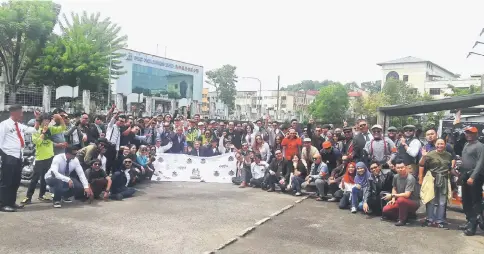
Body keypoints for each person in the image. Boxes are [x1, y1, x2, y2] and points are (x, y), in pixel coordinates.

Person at [21, 113, 66, 205]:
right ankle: (28, 197)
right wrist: (43, 133)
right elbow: (37, 142)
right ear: (41, 121)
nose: (47, 122)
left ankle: (42, 195)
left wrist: (60, 119)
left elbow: (62, 128)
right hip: (39, 158)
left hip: (49, 157)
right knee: (34, 178)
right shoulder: (36, 131)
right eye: (45, 120)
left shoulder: (51, 129)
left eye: (48, 120)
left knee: (45, 178)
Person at [0, 105, 37, 212]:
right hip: (8, 156)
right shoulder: (4, 125)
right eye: (20, 112)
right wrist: (4, 155)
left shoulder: (19, 126)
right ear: (14, 113)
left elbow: (33, 130)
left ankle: (11, 202)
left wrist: (38, 120)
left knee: (15, 181)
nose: (22, 114)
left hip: (18, 156)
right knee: (7, 181)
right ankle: (3, 204)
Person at [419, 139, 453, 229]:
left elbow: (450, 168)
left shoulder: (449, 155)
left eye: (442, 144)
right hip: (432, 178)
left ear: (445, 145)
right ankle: (430, 219)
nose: (440, 145)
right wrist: (423, 156)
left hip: (444, 179)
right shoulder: (430, 154)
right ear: (435, 144)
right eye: (438, 144)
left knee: (442, 201)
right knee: (431, 200)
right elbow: (421, 164)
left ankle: (440, 220)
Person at [458, 126, 484, 236]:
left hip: (475, 177)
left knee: (475, 201)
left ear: (476, 134)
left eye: (471, 133)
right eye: (467, 132)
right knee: (465, 200)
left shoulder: (480, 146)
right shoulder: (466, 144)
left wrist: (473, 177)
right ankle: (469, 220)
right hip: (465, 175)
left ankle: (473, 225)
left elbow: (480, 163)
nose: (469, 134)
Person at [381, 160, 419, 226]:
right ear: (395, 168)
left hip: (413, 202)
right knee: (385, 209)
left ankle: (402, 220)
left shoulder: (410, 178)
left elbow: (407, 195)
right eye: (398, 168)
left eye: (402, 167)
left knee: (401, 199)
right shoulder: (395, 177)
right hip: (400, 200)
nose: (400, 169)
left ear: (406, 167)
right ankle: (408, 215)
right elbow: (394, 188)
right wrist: (392, 199)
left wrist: (392, 195)